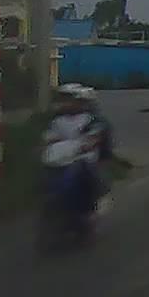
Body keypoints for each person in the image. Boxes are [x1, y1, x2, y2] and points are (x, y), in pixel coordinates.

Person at [42, 84, 104, 212]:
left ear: (79, 101)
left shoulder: (90, 119)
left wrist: (88, 143)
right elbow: (50, 136)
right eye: (63, 99)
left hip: (83, 158)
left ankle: (95, 201)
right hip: (63, 157)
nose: (65, 103)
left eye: (68, 99)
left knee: (88, 174)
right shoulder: (58, 121)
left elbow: (94, 137)